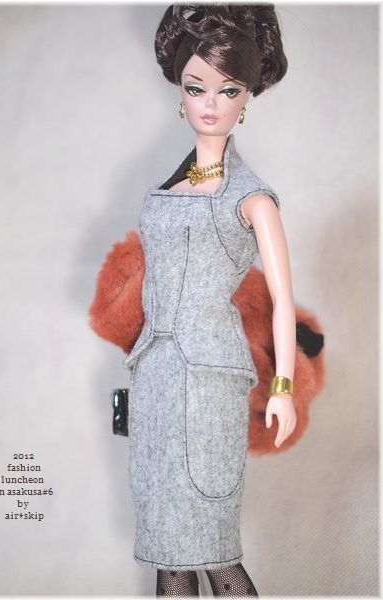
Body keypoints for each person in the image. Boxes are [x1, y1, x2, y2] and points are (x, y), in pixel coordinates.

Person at [123, 4, 297, 596]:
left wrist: (282, 388)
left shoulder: (253, 199)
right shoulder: (167, 186)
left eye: (228, 90)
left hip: (208, 387)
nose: (210, 104)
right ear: (180, 89)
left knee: (214, 551)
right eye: (196, 87)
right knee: (168, 556)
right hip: (156, 382)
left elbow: (283, 299)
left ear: (246, 98)